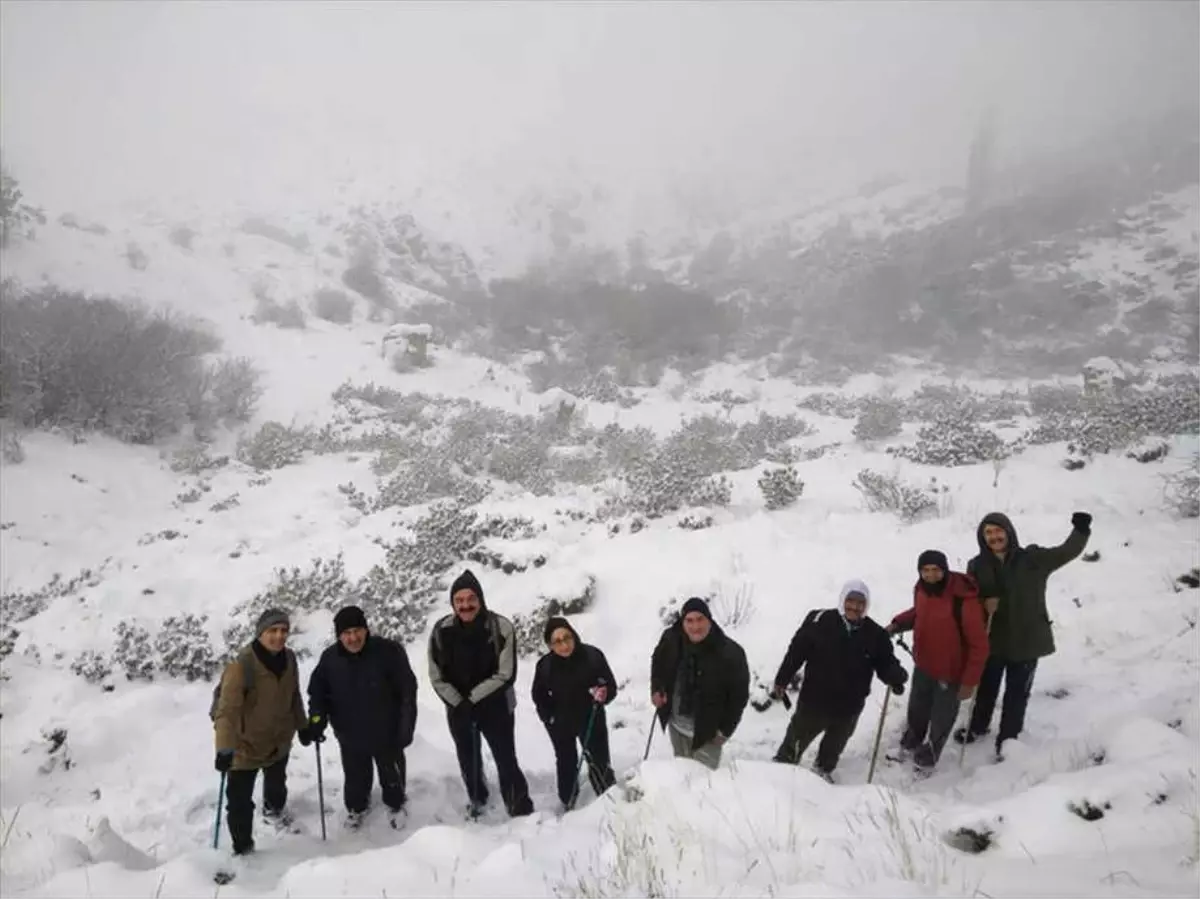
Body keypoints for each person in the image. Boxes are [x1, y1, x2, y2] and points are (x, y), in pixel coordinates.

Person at [959, 511, 1092, 756]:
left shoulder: (1033, 559)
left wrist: (1081, 530)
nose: (994, 536)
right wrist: (983, 603)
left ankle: (1008, 739)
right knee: (987, 687)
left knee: (1017, 693)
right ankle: (978, 727)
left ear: (1009, 531)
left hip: (1027, 639)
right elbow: (969, 598)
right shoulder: (977, 566)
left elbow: (1066, 551)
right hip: (994, 638)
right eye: (988, 533)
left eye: (998, 530)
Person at [770, 579, 908, 781]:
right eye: (850, 601)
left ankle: (822, 773)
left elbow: (885, 663)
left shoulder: (875, 634)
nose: (855, 607)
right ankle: (780, 772)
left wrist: (895, 677)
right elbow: (796, 653)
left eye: (861, 603)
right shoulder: (819, 621)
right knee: (795, 740)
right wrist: (782, 679)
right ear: (842, 599)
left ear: (866, 605)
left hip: (849, 707)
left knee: (834, 747)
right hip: (814, 701)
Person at [428, 569, 534, 817]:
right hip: (457, 708)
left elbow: (506, 673)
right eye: (459, 600)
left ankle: (518, 803)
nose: (465, 605)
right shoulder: (440, 631)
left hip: (497, 706)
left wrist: (472, 699)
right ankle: (477, 798)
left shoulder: (501, 627)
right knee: (467, 756)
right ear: (453, 603)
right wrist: (459, 703)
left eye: (470, 599)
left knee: (505, 756)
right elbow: (436, 674)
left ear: (480, 600)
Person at [212, 608, 316, 856]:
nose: (279, 636)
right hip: (245, 747)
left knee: (277, 785)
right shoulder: (241, 666)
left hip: (278, 742)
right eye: (273, 631)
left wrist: (302, 726)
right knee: (239, 804)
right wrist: (224, 748)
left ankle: (274, 811)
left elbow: (294, 696)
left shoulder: (289, 659)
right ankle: (243, 847)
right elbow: (227, 711)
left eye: (284, 631)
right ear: (260, 633)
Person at [306, 605, 418, 828]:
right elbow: (318, 693)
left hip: (387, 732)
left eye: (357, 630)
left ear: (366, 630)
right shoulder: (330, 659)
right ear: (339, 635)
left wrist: (406, 727)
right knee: (355, 779)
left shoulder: (388, 651)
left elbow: (407, 690)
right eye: (346, 633)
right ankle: (357, 809)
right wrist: (317, 720)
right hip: (350, 735)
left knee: (392, 777)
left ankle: (395, 805)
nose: (353, 638)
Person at [886, 551, 989, 773]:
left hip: (951, 671)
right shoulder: (921, 589)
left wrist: (969, 682)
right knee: (917, 709)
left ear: (945, 569)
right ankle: (910, 743)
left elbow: (979, 646)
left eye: (936, 570)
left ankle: (927, 759)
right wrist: (897, 624)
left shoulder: (963, 600)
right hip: (924, 663)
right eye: (925, 570)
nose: (931, 575)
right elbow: (919, 613)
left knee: (942, 718)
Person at [650, 597, 750, 770]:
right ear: (682, 622)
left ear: (709, 619)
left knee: (703, 783)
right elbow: (658, 664)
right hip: (676, 726)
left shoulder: (731, 653)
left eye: (700, 619)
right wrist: (657, 689)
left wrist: (725, 730)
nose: (695, 627)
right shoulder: (671, 640)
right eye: (689, 620)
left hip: (708, 734)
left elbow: (739, 697)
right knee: (682, 773)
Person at [531, 616, 618, 811]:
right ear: (550, 645)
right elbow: (538, 695)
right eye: (557, 641)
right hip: (561, 721)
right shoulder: (545, 666)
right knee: (566, 760)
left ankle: (607, 796)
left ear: (574, 635)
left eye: (567, 637)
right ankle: (568, 800)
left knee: (599, 757)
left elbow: (609, 685)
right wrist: (549, 718)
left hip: (591, 717)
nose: (564, 645)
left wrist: (604, 693)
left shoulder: (592, 656)